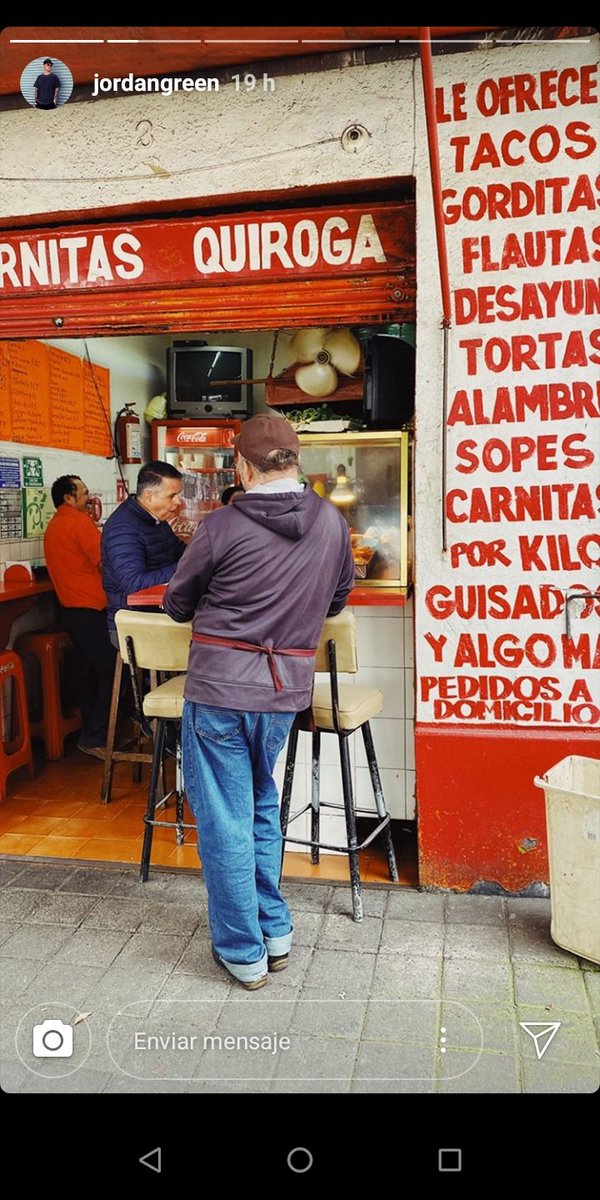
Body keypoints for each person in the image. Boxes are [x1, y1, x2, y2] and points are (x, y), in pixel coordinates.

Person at [164, 414, 355, 989]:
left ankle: (243, 950)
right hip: (281, 694)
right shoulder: (332, 523)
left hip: (221, 690)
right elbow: (338, 597)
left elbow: (178, 604)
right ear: (293, 460)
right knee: (259, 804)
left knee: (225, 819)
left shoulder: (222, 526)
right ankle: (275, 931)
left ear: (244, 467)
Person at [44, 475, 116, 756]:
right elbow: (105, 561)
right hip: (91, 608)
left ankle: (92, 734)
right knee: (112, 669)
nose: (88, 499)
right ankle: (95, 735)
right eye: (84, 494)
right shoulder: (77, 522)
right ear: (68, 498)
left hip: (70, 611)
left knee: (89, 672)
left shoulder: (54, 526)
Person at [101, 461, 185, 647]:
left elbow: (180, 551)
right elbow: (134, 584)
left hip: (160, 613)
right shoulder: (122, 530)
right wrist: (186, 567)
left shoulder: (156, 520)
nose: (178, 502)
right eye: (172, 496)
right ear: (149, 496)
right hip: (133, 625)